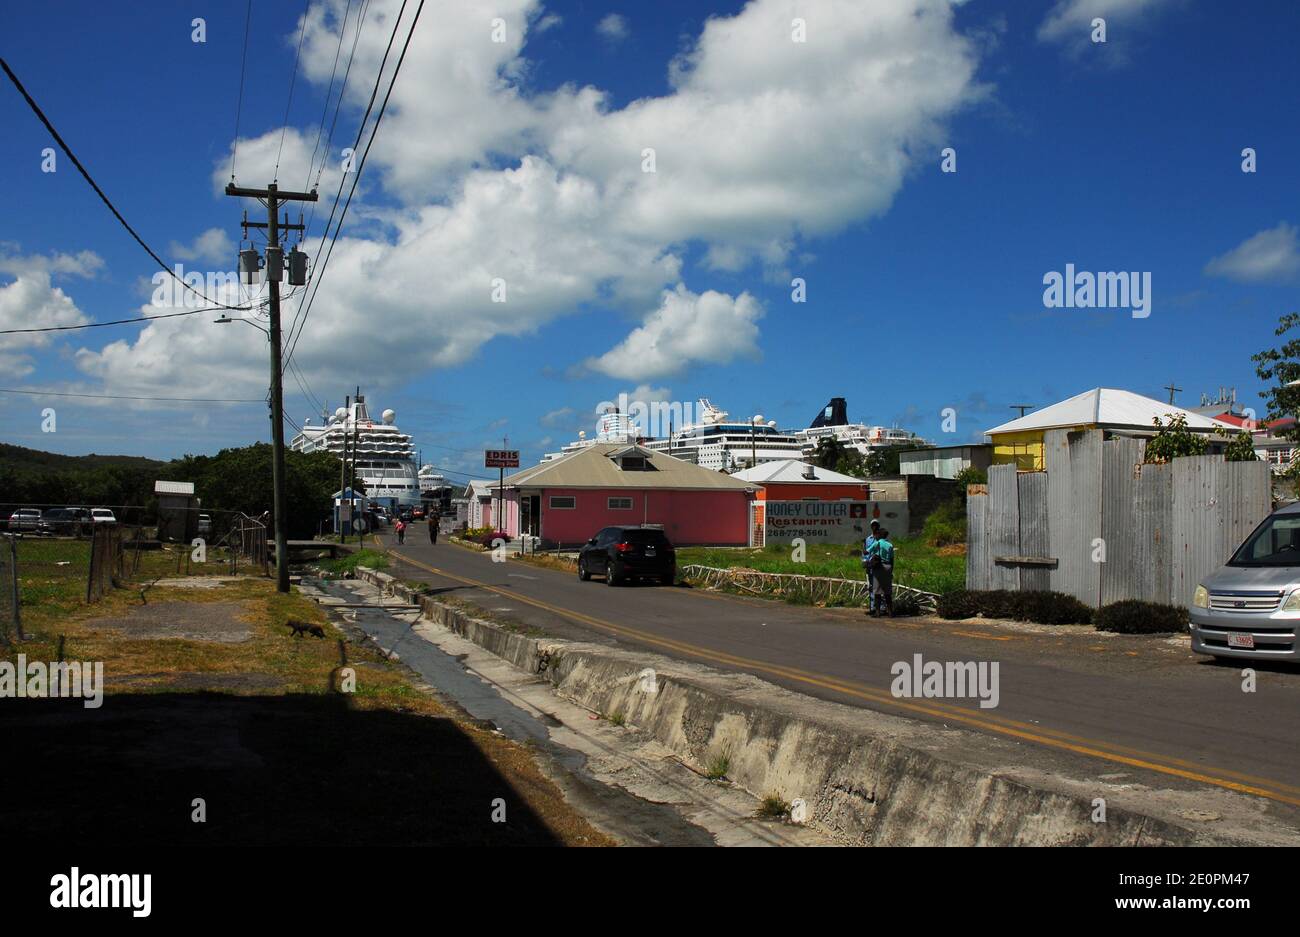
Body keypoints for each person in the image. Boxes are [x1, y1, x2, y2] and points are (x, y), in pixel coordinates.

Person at [869, 527, 895, 616]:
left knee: (877, 591)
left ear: (879, 535)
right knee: (887, 591)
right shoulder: (890, 545)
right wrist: (891, 570)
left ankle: (877, 612)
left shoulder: (877, 543)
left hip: (879, 567)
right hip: (888, 567)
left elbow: (867, 551)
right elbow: (892, 559)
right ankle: (890, 612)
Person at [862, 520, 882, 613]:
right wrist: (865, 562)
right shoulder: (868, 539)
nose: (874, 526)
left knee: (879, 586)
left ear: (878, 526)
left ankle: (881, 607)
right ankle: (873, 607)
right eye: (873, 525)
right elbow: (865, 552)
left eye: (876, 525)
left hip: (879, 565)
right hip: (870, 566)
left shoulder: (881, 539)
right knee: (871, 586)